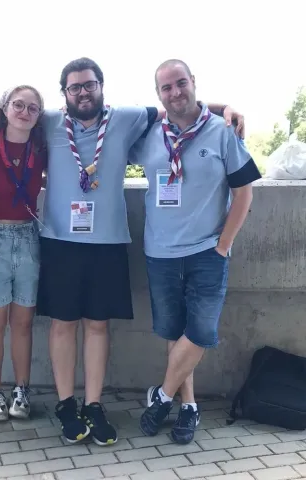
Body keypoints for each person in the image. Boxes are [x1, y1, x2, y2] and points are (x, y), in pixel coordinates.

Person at [36, 57, 245, 446]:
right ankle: (66, 404)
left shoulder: (128, 117)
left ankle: (94, 405)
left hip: (108, 242)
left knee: (99, 326)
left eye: (89, 84)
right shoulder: (48, 121)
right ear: (63, 92)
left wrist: (225, 108)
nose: (83, 92)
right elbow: (3, 124)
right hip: (60, 240)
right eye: (74, 87)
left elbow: (181, 105)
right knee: (62, 324)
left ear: (102, 85)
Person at [130, 59, 261, 444]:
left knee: (201, 331)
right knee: (175, 332)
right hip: (160, 252)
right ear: (159, 96)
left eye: (181, 83)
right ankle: (188, 407)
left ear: (193, 83)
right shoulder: (149, 134)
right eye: (166, 88)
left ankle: (162, 397)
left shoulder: (222, 132)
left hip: (207, 251)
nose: (175, 93)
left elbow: (244, 192)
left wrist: (223, 246)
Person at [0, 85, 46, 422]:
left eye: (33, 108)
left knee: (23, 323)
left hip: (29, 238)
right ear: (4, 108)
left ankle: (21, 389)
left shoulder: (41, 146)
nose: (25, 112)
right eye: (18, 104)